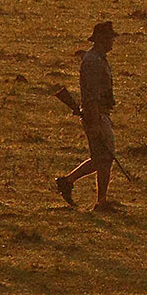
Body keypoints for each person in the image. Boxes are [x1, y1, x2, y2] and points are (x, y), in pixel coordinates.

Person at [56, 19, 119, 210]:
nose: (112, 42)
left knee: (102, 157)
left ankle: (68, 182)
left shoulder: (98, 59)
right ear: (101, 39)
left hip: (100, 112)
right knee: (105, 157)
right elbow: (91, 95)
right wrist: (94, 122)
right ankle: (101, 200)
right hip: (97, 113)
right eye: (109, 38)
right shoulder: (92, 62)